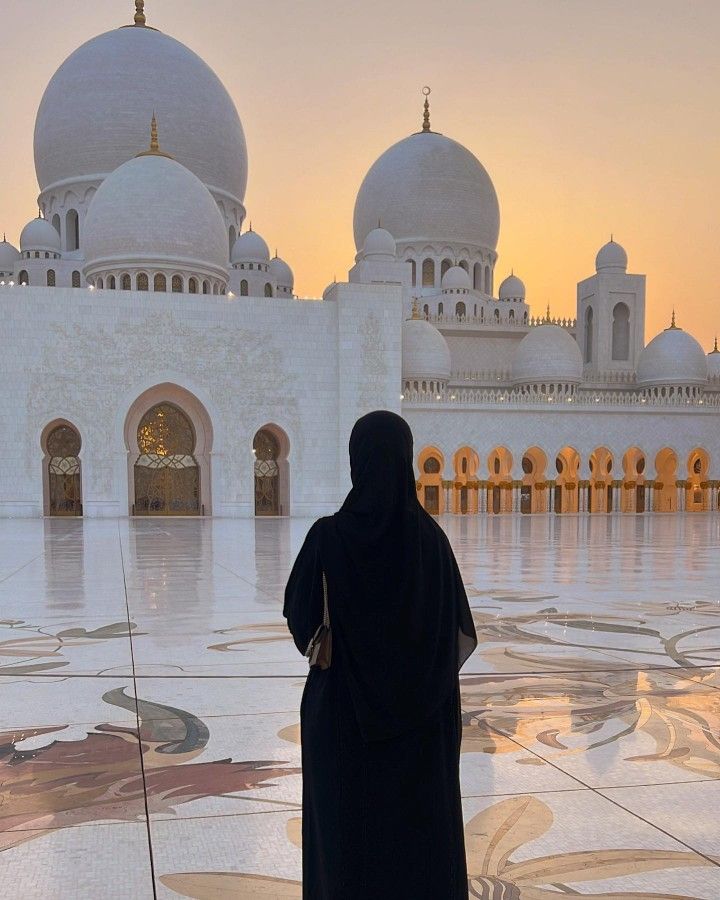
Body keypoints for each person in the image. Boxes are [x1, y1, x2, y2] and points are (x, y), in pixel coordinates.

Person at [284, 410, 477, 899]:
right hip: (422, 736)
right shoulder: (433, 543)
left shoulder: (329, 538)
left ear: (358, 462)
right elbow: (457, 630)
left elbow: (301, 620)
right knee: (418, 851)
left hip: (345, 730)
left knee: (349, 851)